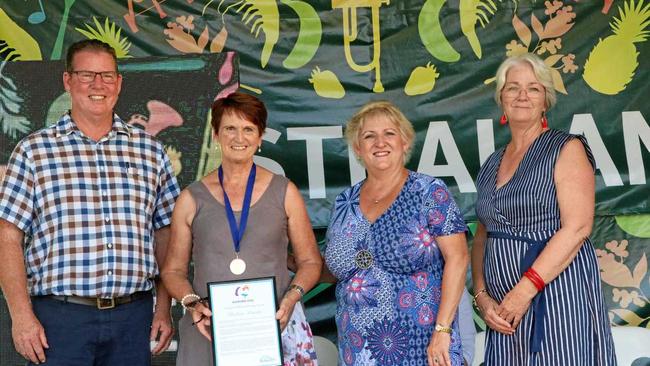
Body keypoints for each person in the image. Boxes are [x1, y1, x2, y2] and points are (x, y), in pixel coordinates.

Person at [0, 39, 179, 365]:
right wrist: (21, 316)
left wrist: (163, 308)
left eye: (107, 76)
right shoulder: (34, 151)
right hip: (59, 319)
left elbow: (166, 233)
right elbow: (7, 236)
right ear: (68, 81)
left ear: (119, 82)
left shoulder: (149, 151)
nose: (98, 85)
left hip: (133, 317)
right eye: (87, 75)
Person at [471, 53, 616, 365]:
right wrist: (482, 297)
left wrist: (524, 291)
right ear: (501, 98)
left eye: (534, 88)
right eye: (513, 88)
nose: (522, 95)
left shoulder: (567, 148)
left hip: (555, 296)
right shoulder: (491, 163)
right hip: (502, 311)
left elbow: (577, 228)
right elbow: (482, 235)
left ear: (546, 101)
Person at [160, 91, 322, 365]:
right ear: (216, 134)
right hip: (208, 331)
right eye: (230, 129)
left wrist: (292, 298)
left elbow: (310, 262)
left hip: (275, 327)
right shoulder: (191, 198)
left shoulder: (285, 192)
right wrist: (191, 303)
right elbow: (173, 270)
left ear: (260, 137)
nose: (239, 138)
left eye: (248, 129)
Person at [324, 101, 469, 366]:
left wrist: (443, 330)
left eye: (389, 133)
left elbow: (458, 259)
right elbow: (338, 268)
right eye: (369, 136)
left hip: (422, 344)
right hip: (357, 349)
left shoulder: (429, 191)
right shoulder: (344, 201)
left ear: (405, 142)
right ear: (358, 148)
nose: (380, 142)